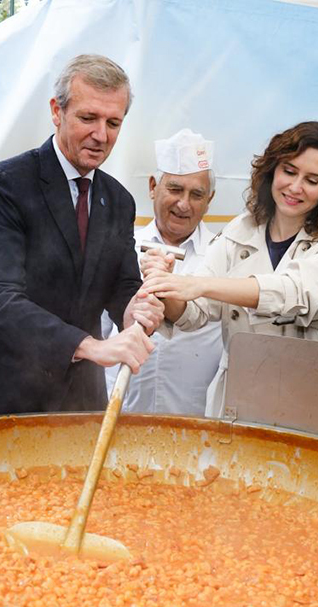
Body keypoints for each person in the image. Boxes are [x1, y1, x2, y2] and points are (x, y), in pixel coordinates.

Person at [0, 54, 162, 420]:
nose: (101, 135)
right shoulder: (7, 184)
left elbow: (122, 287)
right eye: (88, 118)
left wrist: (136, 309)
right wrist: (89, 346)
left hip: (77, 400)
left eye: (113, 122)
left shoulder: (119, 201)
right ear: (57, 111)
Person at [141, 121, 318, 416]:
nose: (295, 187)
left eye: (312, 180)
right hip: (241, 402)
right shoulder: (241, 230)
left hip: (311, 404)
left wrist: (201, 285)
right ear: (272, 171)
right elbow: (195, 310)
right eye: (289, 171)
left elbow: (298, 293)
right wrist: (167, 286)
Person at [101, 129, 223, 415]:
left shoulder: (223, 256)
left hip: (196, 421)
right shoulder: (120, 247)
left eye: (197, 194)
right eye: (175, 189)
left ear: (210, 199)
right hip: (118, 412)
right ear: (153, 186)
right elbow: (96, 328)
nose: (184, 204)